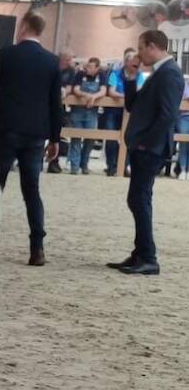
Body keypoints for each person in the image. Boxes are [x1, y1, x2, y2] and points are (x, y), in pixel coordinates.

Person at [107, 30, 185, 276]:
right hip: (145, 145)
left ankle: (148, 257)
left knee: (139, 199)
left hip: (150, 147)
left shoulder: (170, 73)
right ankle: (140, 253)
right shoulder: (158, 73)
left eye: (141, 48)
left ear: (152, 46)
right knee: (139, 199)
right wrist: (130, 77)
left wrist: (147, 143)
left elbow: (168, 115)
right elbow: (133, 105)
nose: (138, 54)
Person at [0, 11, 61, 267]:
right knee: (32, 190)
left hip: (7, 129)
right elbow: (56, 103)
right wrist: (55, 138)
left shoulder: (5, 55)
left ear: (23, 27)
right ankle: (37, 248)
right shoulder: (51, 61)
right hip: (36, 134)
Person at [104, 50, 145, 177]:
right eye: (134, 60)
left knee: (128, 139)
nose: (137, 63)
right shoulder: (115, 74)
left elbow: (139, 90)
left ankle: (123, 166)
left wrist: (124, 95)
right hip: (113, 111)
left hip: (129, 113)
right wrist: (128, 95)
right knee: (111, 139)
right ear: (127, 61)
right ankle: (111, 166)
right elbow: (111, 92)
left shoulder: (140, 76)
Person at [68, 57, 107, 175]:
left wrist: (94, 97)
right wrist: (86, 95)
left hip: (92, 112)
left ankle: (84, 165)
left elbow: (103, 91)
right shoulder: (80, 74)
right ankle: (74, 167)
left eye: (91, 67)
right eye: (87, 66)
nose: (88, 69)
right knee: (75, 138)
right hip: (77, 111)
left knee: (90, 139)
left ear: (97, 68)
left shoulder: (102, 76)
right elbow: (76, 89)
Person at [47, 51, 75, 174]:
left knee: (57, 133)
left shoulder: (71, 71)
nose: (71, 61)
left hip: (59, 105)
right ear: (64, 59)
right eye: (70, 59)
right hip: (47, 104)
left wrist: (63, 92)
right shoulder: (52, 66)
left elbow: (69, 88)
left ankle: (53, 161)